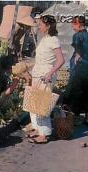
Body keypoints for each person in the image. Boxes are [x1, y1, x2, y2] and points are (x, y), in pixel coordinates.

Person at [27, 15, 65, 144]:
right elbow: (40, 59)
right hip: (38, 74)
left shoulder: (54, 40)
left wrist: (50, 73)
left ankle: (44, 134)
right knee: (34, 105)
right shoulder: (44, 39)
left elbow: (60, 60)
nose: (39, 26)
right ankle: (38, 130)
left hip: (45, 76)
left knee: (42, 105)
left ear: (48, 26)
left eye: (41, 24)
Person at [64, 16, 88, 125]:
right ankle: (87, 116)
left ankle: (75, 117)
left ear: (78, 24)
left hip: (80, 68)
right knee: (87, 91)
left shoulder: (77, 36)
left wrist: (77, 58)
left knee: (76, 92)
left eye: (73, 24)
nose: (72, 26)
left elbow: (78, 51)